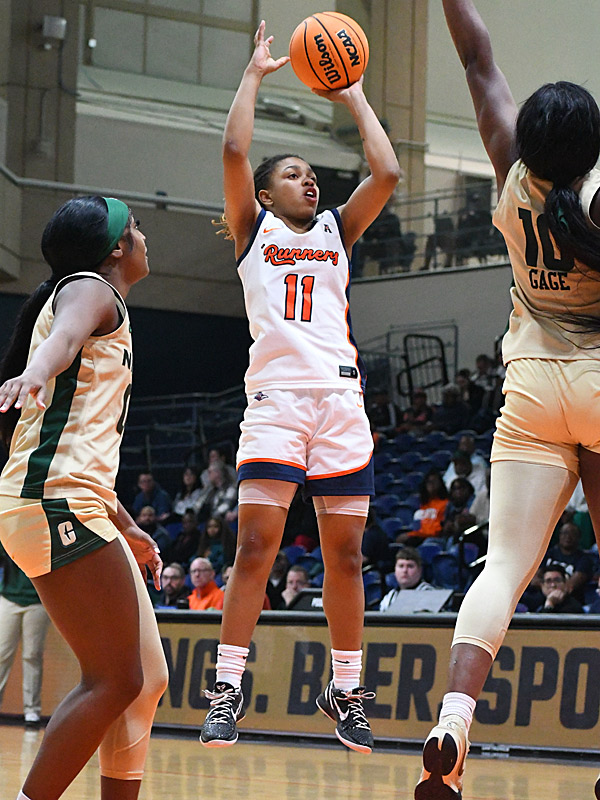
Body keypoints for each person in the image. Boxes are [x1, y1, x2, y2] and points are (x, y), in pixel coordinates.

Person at [199, 20, 400, 755]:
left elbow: (387, 173)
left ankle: (345, 690)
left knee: (345, 558)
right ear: (263, 192)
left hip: (340, 403)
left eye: (312, 173)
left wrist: (354, 96)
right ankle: (227, 688)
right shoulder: (253, 230)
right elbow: (232, 150)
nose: (308, 180)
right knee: (256, 547)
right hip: (277, 403)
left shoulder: (336, 232)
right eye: (292, 173)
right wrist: (254, 74)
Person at [416, 3, 600, 799]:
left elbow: (477, 60)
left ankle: (454, 723)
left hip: (530, 390)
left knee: (502, 572)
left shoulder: (510, 172)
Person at [0, 195, 168, 800]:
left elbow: (76, 442)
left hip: (72, 499)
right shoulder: (90, 289)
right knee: (114, 679)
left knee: (145, 680)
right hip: (54, 503)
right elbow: (65, 339)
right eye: (137, 228)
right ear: (116, 247)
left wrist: (127, 524)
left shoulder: (96, 301)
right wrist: (36, 371)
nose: (145, 237)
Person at [0, 545, 50, 728]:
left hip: (38, 601)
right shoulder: (7, 534)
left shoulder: (43, 538)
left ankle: (32, 711)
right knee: (1, 654)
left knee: (32, 656)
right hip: (8, 598)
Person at [400, 470, 449, 547]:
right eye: (429, 482)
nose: (431, 485)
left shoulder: (445, 504)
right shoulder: (424, 504)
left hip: (435, 539)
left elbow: (436, 531)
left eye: (434, 482)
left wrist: (411, 534)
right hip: (420, 537)